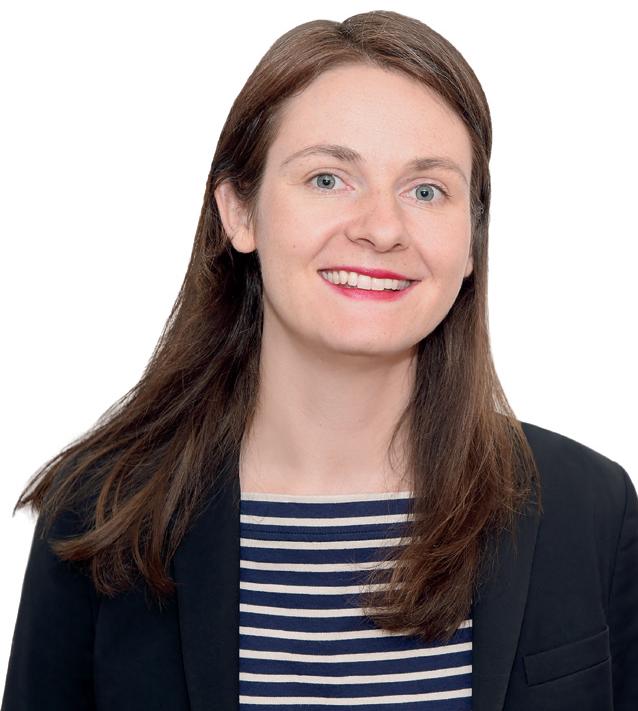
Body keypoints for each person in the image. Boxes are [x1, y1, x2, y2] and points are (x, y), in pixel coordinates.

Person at [2, 10, 636, 711]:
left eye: (426, 190)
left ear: (471, 241)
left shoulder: (590, 508)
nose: (382, 228)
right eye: (329, 179)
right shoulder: (101, 514)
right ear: (238, 212)